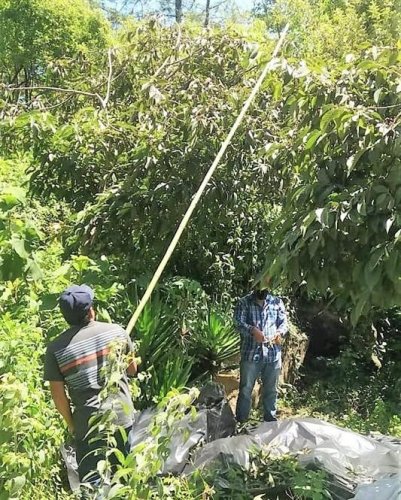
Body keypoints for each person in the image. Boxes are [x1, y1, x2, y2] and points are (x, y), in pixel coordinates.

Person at [44, 284, 137, 484]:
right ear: (91, 310)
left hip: (87, 424)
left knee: (91, 484)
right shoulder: (117, 332)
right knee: (125, 479)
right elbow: (132, 370)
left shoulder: (56, 349)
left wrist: (72, 425)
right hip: (120, 417)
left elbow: (58, 396)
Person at [234, 282, 288, 423]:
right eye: (258, 288)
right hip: (250, 353)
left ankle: (270, 421)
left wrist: (279, 333)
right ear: (254, 287)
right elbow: (238, 324)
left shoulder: (277, 302)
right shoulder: (244, 302)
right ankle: (241, 421)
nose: (261, 291)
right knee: (246, 389)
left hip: (272, 354)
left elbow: (284, 323)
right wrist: (252, 331)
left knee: (271, 390)